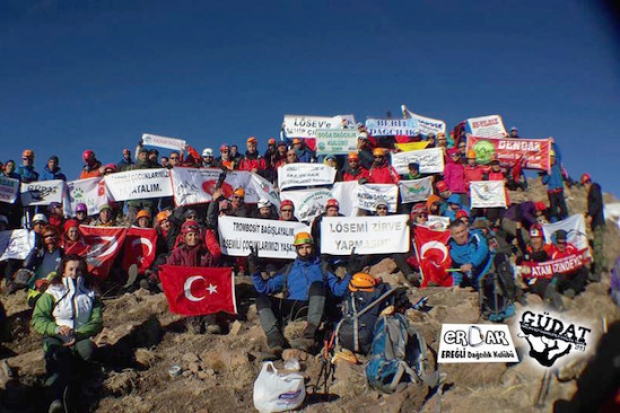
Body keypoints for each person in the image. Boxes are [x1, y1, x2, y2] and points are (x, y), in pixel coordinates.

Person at [250, 232, 354, 354]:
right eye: (301, 248)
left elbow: (338, 290)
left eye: (308, 247)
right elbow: (264, 288)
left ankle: (309, 337)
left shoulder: (323, 267)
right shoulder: (289, 268)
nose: (305, 251)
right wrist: (254, 272)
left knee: (318, 285)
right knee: (262, 299)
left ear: (313, 248)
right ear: (296, 249)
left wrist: (351, 273)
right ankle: (275, 339)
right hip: (292, 307)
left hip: (313, 307)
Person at [31, 254, 102, 413]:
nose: (74, 273)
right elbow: (38, 318)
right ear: (63, 271)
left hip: (79, 336)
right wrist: (56, 329)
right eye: (70, 269)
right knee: (58, 357)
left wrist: (78, 334)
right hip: (57, 336)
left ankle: (76, 393)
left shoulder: (90, 293)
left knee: (88, 351)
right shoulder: (53, 292)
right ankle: (54, 400)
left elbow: (97, 321)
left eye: (78, 270)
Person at [166, 220, 223, 333]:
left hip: (203, 288)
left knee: (210, 297)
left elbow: (214, 270)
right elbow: (170, 269)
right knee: (189, 301)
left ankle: (210, 321)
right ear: (184, 236)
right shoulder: (178, 252)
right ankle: (194, 322)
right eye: (190, 235)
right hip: (186, 289)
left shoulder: (205, 253)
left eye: (195, 234)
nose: (193, 238)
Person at [25, 225, 64, 307]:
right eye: (46, 236)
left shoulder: (62, 253)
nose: (50, 238)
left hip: (56, 285)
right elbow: (28, 266)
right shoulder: (39, 253)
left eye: (52, 235)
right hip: (39, 286)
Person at [448, 219, 492, 289]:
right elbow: (456, 267)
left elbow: (483, 248)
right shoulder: (451, 248)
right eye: (457, 233)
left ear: (467, 230)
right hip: (473, 280)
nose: (461, 235)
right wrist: (457, 283)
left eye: (463, 231)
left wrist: (471, 263)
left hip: (488, 271)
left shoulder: (475, 236)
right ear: (452, 235)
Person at [582, 173, 605, 281]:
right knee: (596, 246)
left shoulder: (594, 188)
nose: (584, 188)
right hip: (596, 223)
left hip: (598, 223)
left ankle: (597, 273)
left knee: (597, 248)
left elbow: (597, 203)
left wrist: (590, 215)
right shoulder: (593, 191)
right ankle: (599, 268)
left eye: (584, 185)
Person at [540, 148, 568, 222]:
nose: (552, 160)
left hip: (559, 189)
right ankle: (554, 222)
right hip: (551, 192)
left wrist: (553, 144)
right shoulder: (547, 169)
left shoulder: (557, 165)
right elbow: (543, 181)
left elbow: (559, 154)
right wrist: (548, 175)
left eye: (552, 158)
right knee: (553, 208)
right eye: (550, 158)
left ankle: (566, 221)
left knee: (563, 207)